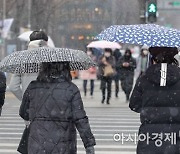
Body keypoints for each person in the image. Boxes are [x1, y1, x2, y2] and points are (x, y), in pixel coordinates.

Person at [19, 62, 96, 154]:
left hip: (37, 142)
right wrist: (89, 144)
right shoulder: (71, 89)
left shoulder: (33, 86)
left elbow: (24, 113)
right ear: (66, 68)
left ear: (43, 68)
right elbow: (80, 119)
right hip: (64, 145)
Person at [129, 47, 180, 154]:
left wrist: (149, 109)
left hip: (149, 134)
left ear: (153, 59)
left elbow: (134, 104)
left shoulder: (144, 78)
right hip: (175, 134)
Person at [9, 30, 48, 101]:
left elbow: (13, 86)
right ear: (46, 42)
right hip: (48, 103)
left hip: (29, 105)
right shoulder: (52, 58)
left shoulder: (22, 59)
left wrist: (25, 99)